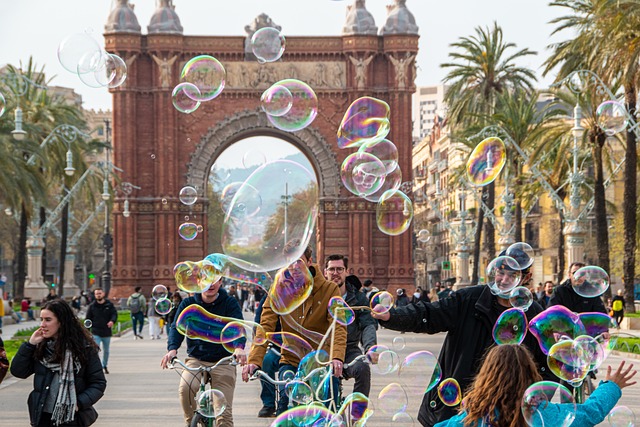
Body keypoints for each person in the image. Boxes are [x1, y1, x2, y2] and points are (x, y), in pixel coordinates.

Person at [371, 263, 551, 426]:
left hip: (507, 411)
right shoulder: (469, 299)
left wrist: (540, 397)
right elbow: (430, 314)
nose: (504, 280)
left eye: (512, 275)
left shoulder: (534, 314)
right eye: (500, 272)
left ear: (525, 278)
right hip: (455, 406)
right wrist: (393, 316)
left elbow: (545, 365)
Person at [242, 246, 347, 416]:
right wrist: (254, 361)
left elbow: (339, 326)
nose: (294, 266)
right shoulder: (279, 289)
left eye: (298, 261)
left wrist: (336, 357)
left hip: (321, 361)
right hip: (290, 359)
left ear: (309, 262)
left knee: (327, 407)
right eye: (289, 262)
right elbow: (265, 327)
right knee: (284, 405)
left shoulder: (329, 289)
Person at [434, 344, 637, 427]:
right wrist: (611, 386)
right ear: (531, 374)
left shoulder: (469, 419)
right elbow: (590, 412)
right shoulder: (543, 414)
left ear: (486, 377)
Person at [160, 276, 246, 427]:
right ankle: (191, 422)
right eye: (206, 280)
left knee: (223, 415)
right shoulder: (188, 303)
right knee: (185, 389)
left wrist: (239, 347)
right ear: (198, 282)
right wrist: (172, 349)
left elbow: (238, 327)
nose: (210, 285)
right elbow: (176, 327)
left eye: (215, 280)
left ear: (220, 282)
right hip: (196, 358)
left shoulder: (229, 303)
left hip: (223, 360)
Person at [10, 299, 106, 427]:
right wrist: (30, 345)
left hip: (72, 418)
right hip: (42, 416)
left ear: (61, 322)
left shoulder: (84, 349)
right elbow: (18, 372)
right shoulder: (41, 348)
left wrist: (78, 403)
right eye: (41, 319)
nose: (42, 324)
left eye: (48, 320)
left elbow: (98, 383)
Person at [325, 255, 377, 399]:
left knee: (363, 368)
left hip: (349, 349)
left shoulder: (359, 298)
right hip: (324, 349)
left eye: (340, 269)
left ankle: (357, 412)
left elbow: (368, 324)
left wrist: (370, 348)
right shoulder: (319, 296)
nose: (335, 273)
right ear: (325, 272)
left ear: (347, 271)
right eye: (332, 269)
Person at [254, 293, 281, 418]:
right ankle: (269, 403)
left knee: (286, 370)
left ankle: (284, 402)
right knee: (266, 362)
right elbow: (259, 324)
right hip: (276, 345)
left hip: (300, 346)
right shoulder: (270, 297)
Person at [85, 287, 117, 375]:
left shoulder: (109, 305)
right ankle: (97, 367)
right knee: (96, 349)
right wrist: (87, 332)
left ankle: (104, 365)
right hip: (96, 331)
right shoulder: (92, 306)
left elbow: (114, 314)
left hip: (106, 332)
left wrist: (112, 321)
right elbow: (88, 319)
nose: (98, 295)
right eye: (96, 294)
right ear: (95, 295)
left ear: (103, 294)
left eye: (100, 293)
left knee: (106, 350)